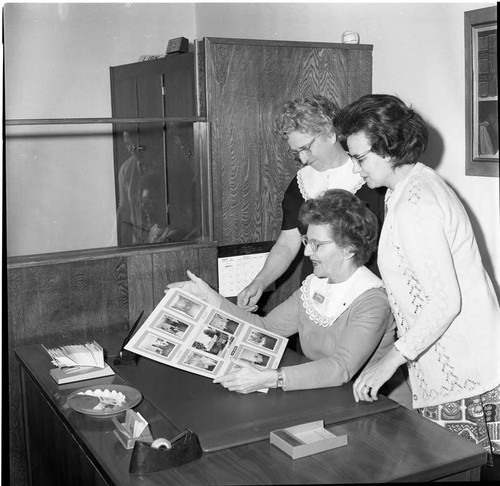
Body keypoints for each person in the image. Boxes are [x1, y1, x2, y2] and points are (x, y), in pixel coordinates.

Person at [335, 93, 500, 463]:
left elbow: (444, 302)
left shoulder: (416, 205)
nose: (357, 169)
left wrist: (388, 361)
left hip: (463, 363)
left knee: (458, 468)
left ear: (391, 148)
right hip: (452, 355)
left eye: (361, 158)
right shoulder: (410, 186)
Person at [169, 189, 411, 407]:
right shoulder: (314, 286)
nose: (306, 252)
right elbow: (265, 329)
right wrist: (210, 297)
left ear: (349, 249)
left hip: (377, 405)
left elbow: (341, 368)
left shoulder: (372, 300)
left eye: (317, 245)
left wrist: (272, 378)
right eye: (307, 242)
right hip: (330, 396)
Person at [237, 95, 386, 312]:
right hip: (319, 291)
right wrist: (259, 282)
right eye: (297, 153)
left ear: (330, 133)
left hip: (366, 293)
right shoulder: (300, 184)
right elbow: (288, 243)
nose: (304, 159)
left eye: (306, 148)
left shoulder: (372, 176)